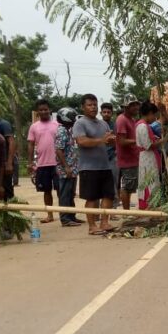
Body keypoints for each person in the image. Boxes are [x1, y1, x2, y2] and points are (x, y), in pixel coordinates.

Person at [73, 94, 116, 235]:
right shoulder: (80, 123)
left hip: (105, 165)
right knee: (92, 198)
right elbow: (82, 141)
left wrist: (112, 140)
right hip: (88, 167)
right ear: (83, 107)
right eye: (89, 105)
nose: (93, 107)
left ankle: (104, 222)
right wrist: (101, 140)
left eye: (95, 105)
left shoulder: (103, 123)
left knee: (108, 196)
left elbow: (107, 141)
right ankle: (92, 226)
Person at [28, 99, 60, 224]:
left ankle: (64, 214)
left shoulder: (57, 125)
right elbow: (30, 145)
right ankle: (50, 215)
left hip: (57, 163)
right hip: (42, 164)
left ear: (49, 110)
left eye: (45, 109)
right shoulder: (34, 127)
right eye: (41, 110)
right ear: (37, 112)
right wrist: (30, 163)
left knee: (59, 190)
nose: (44, 112)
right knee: (46, 191)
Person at [135, 101, 168, 210]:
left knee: (150, 179)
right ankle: (150, 206)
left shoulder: (143, 125)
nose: (155, 118)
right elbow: (148, 145)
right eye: (154, 115)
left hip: (148, 156)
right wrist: (164, 140)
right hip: (147, 157)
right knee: (150, 180)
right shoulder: (143, 126)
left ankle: (151, 205)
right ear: (149, 113)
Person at [55, 107, 83, 227]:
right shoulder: (61, 131)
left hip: (72, 167)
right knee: (65, 193)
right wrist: (66, 167)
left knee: (71, 193)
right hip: (66, 168)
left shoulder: (68, 130)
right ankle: (65, 218)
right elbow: (59, 150)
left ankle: (71, 216)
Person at [115, 94, 141, 210]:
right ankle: (126, 212)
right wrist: (138, 141)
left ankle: (127, 210)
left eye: (136, 104)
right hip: (127, 160)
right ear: (126, 107)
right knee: (127, 186)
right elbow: (121, 141)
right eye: (132, 105)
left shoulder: (132, 119)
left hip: (133, 158)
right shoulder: (122, 120)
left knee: (130, 187)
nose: (135, 107)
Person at [101, 102, 120, 198]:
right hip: (100, 158)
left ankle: (113, 208)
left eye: (108, 112)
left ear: (112, 113)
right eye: (104, 112)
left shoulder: (115, 125)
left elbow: (119, 140)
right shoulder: (97, 125)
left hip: (113, 157)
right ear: (101, 113)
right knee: (101, 184)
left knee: (114, 183)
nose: (106, 114)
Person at [0, 117, 17, 195]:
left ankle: (9, 206)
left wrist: (9, 163)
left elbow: (11, 142)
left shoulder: (4, 124)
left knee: (7, 189)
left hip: (5, 162)